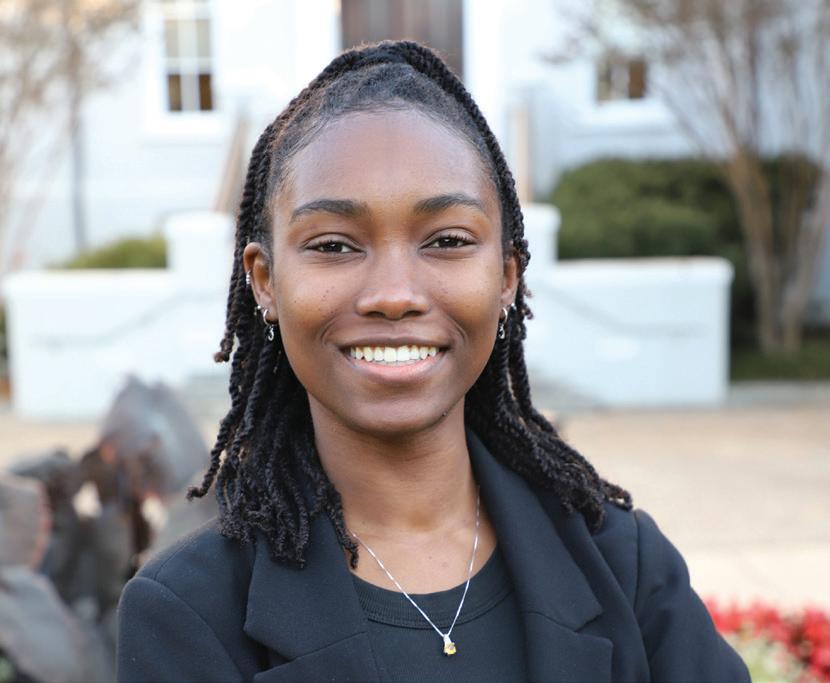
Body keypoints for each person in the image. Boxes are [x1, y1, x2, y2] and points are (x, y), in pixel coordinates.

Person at [117, 40, 751, 682]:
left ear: (507, 275)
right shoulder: (188, 613)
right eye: (334, 246)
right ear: (265, 281)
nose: (395, 294)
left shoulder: (626, 567)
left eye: (447, 240)